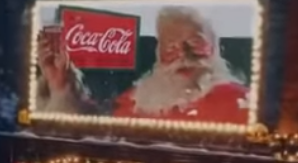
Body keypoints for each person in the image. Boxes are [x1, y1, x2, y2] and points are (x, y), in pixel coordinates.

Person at [36, 6, 250, 124]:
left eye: (195, 43)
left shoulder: (241, 105)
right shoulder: (136, 98)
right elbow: (95, 133)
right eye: (171, 47)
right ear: (158, 53)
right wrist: (61, 87)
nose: (183, 54)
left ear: (215, 48)